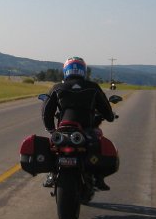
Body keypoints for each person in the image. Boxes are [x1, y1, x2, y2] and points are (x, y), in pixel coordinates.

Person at [41, 56, 116, 190]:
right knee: (97, 144)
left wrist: (51, 129)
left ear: (65, 71)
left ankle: (52, 174)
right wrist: (110, 117)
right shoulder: (93, 87)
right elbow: (106, 109)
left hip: (63, 131)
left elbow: (46, 112)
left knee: (53, 146)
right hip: (87, 130)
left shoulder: (57, 87)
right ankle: (98, 178)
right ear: (84, 71)